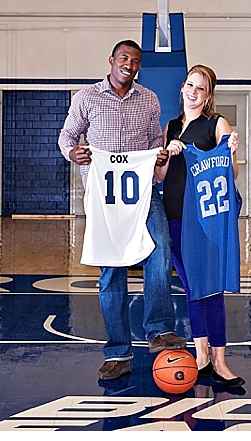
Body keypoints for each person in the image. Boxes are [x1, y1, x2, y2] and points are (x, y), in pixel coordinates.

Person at [58, 39, 186, 381]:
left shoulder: (149, 99)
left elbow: (152, 143)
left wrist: (158, 156)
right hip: (104, 201)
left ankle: (158, 330)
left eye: (136, 60)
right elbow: (67, 136)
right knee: (111, 273)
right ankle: (118, 353)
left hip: (144, 195)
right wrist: (73, 152)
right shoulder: (87, 97)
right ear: (112, 60)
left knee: (160, 251)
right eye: (124, 58)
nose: (129, 64)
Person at [155, 64, 245, 388]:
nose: (194, 92)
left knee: (212, 291)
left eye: (201, 88)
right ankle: (202, 357)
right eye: (190, 85)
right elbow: (161, 177)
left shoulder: (215, 124)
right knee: (194, 290)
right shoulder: (172, 126)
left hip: (204, 221)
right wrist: (166, 154)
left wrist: (231, 151)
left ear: (208, 95)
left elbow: (230, 172)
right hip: (175, 216)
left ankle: (220, 362)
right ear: (182, 88)